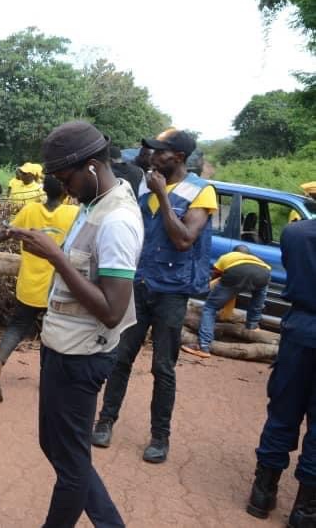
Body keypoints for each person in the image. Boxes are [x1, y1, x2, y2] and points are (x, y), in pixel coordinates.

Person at [21, 121, 142, 527]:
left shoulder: (117, 221)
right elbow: (82, 272)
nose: (63, 187)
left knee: (71, 467)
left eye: (64, 177)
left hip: (82, 355)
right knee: (55, 445)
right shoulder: (95, 205)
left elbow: (111, 308)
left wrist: (55, 257)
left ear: (91, 166)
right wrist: (49, 250)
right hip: (63, 346)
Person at [93, 129, 215, 464]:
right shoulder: (146, 184)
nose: (152, 154)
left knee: (163, 367)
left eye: (160, 151)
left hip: (172, 294)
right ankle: (105, 421)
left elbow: (184, 240)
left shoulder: (201, 192)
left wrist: (163, 196)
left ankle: (160, 437)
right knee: (120, 359)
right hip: (141, 284)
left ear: (177, 157)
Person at [0, 176, 79, 402]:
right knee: (51, 333)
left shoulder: (30, 209)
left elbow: (6, 233)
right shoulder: (73, 214)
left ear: (44, 191)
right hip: (56, 287)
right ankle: (47, 380)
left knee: (17, 327)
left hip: (28, 285)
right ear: (66, 191)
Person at [246, 219, 316, 526]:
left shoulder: (295, 233)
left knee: (282, 411)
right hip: (301, 326)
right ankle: (305, 511)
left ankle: (262, 494)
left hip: (299, 328)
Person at [182, 245, 271, 358]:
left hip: (236, 272)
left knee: (210, 308)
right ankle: (252, 325)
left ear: (234, 252)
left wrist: (210, 289)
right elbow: (258, 299)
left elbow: (217, 275)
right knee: (258, 296)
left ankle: (203, 346)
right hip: (264, 273)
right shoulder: (258, 260)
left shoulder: (228, 256)